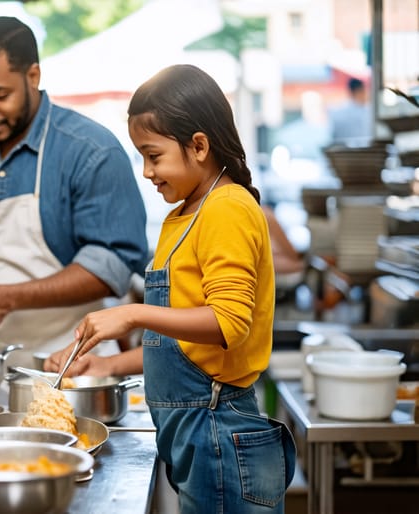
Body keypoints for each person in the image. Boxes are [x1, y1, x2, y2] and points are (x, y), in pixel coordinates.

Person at [50, 64, 295, 513]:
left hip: (219, 430)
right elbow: (182, 345)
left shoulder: (226, 209)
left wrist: (132, 314)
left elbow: (228, 324)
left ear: (198, 145)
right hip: (196, 435)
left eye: (153, 155)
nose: (146, 172)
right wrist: (106, 366)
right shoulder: (184, 214)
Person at [0, 16, 148, 368]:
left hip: (69, 361)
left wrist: (6, 298)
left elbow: (111, 265)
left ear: (33, 76)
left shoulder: (91, 150)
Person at [328, 77, 372, 146]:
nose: (367, 94)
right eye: (365, 91)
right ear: (359, 91)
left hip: (342, 152)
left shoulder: (336, 111)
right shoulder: (368, 112)